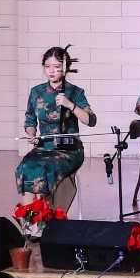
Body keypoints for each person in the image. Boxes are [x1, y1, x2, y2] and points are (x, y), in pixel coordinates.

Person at [15, 46, 97, 201]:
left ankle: (47, 212)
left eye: (56, 67)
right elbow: (30, 120)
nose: (51, 71)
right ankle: (30, 215)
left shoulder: (75, 92)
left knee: (46, 168)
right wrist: (32, 134)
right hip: (44, 146)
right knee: (25, 166)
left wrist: (70, 104)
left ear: (65, 68)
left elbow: (91, 120)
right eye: (47, 66)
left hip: (69, 148)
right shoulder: (36, 92)